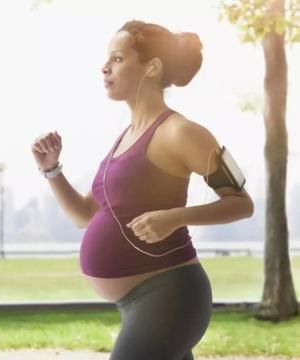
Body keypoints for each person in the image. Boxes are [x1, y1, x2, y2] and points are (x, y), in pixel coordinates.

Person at [30, 19, 254, 360]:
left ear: (152, 67)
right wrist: (51, 169)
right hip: (138, 303)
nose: (105, 67)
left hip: (170, 296)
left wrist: (174, 218)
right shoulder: (124, 137)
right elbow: (85, 215)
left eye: (118, 58)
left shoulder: (181, 132)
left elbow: (241, 203)